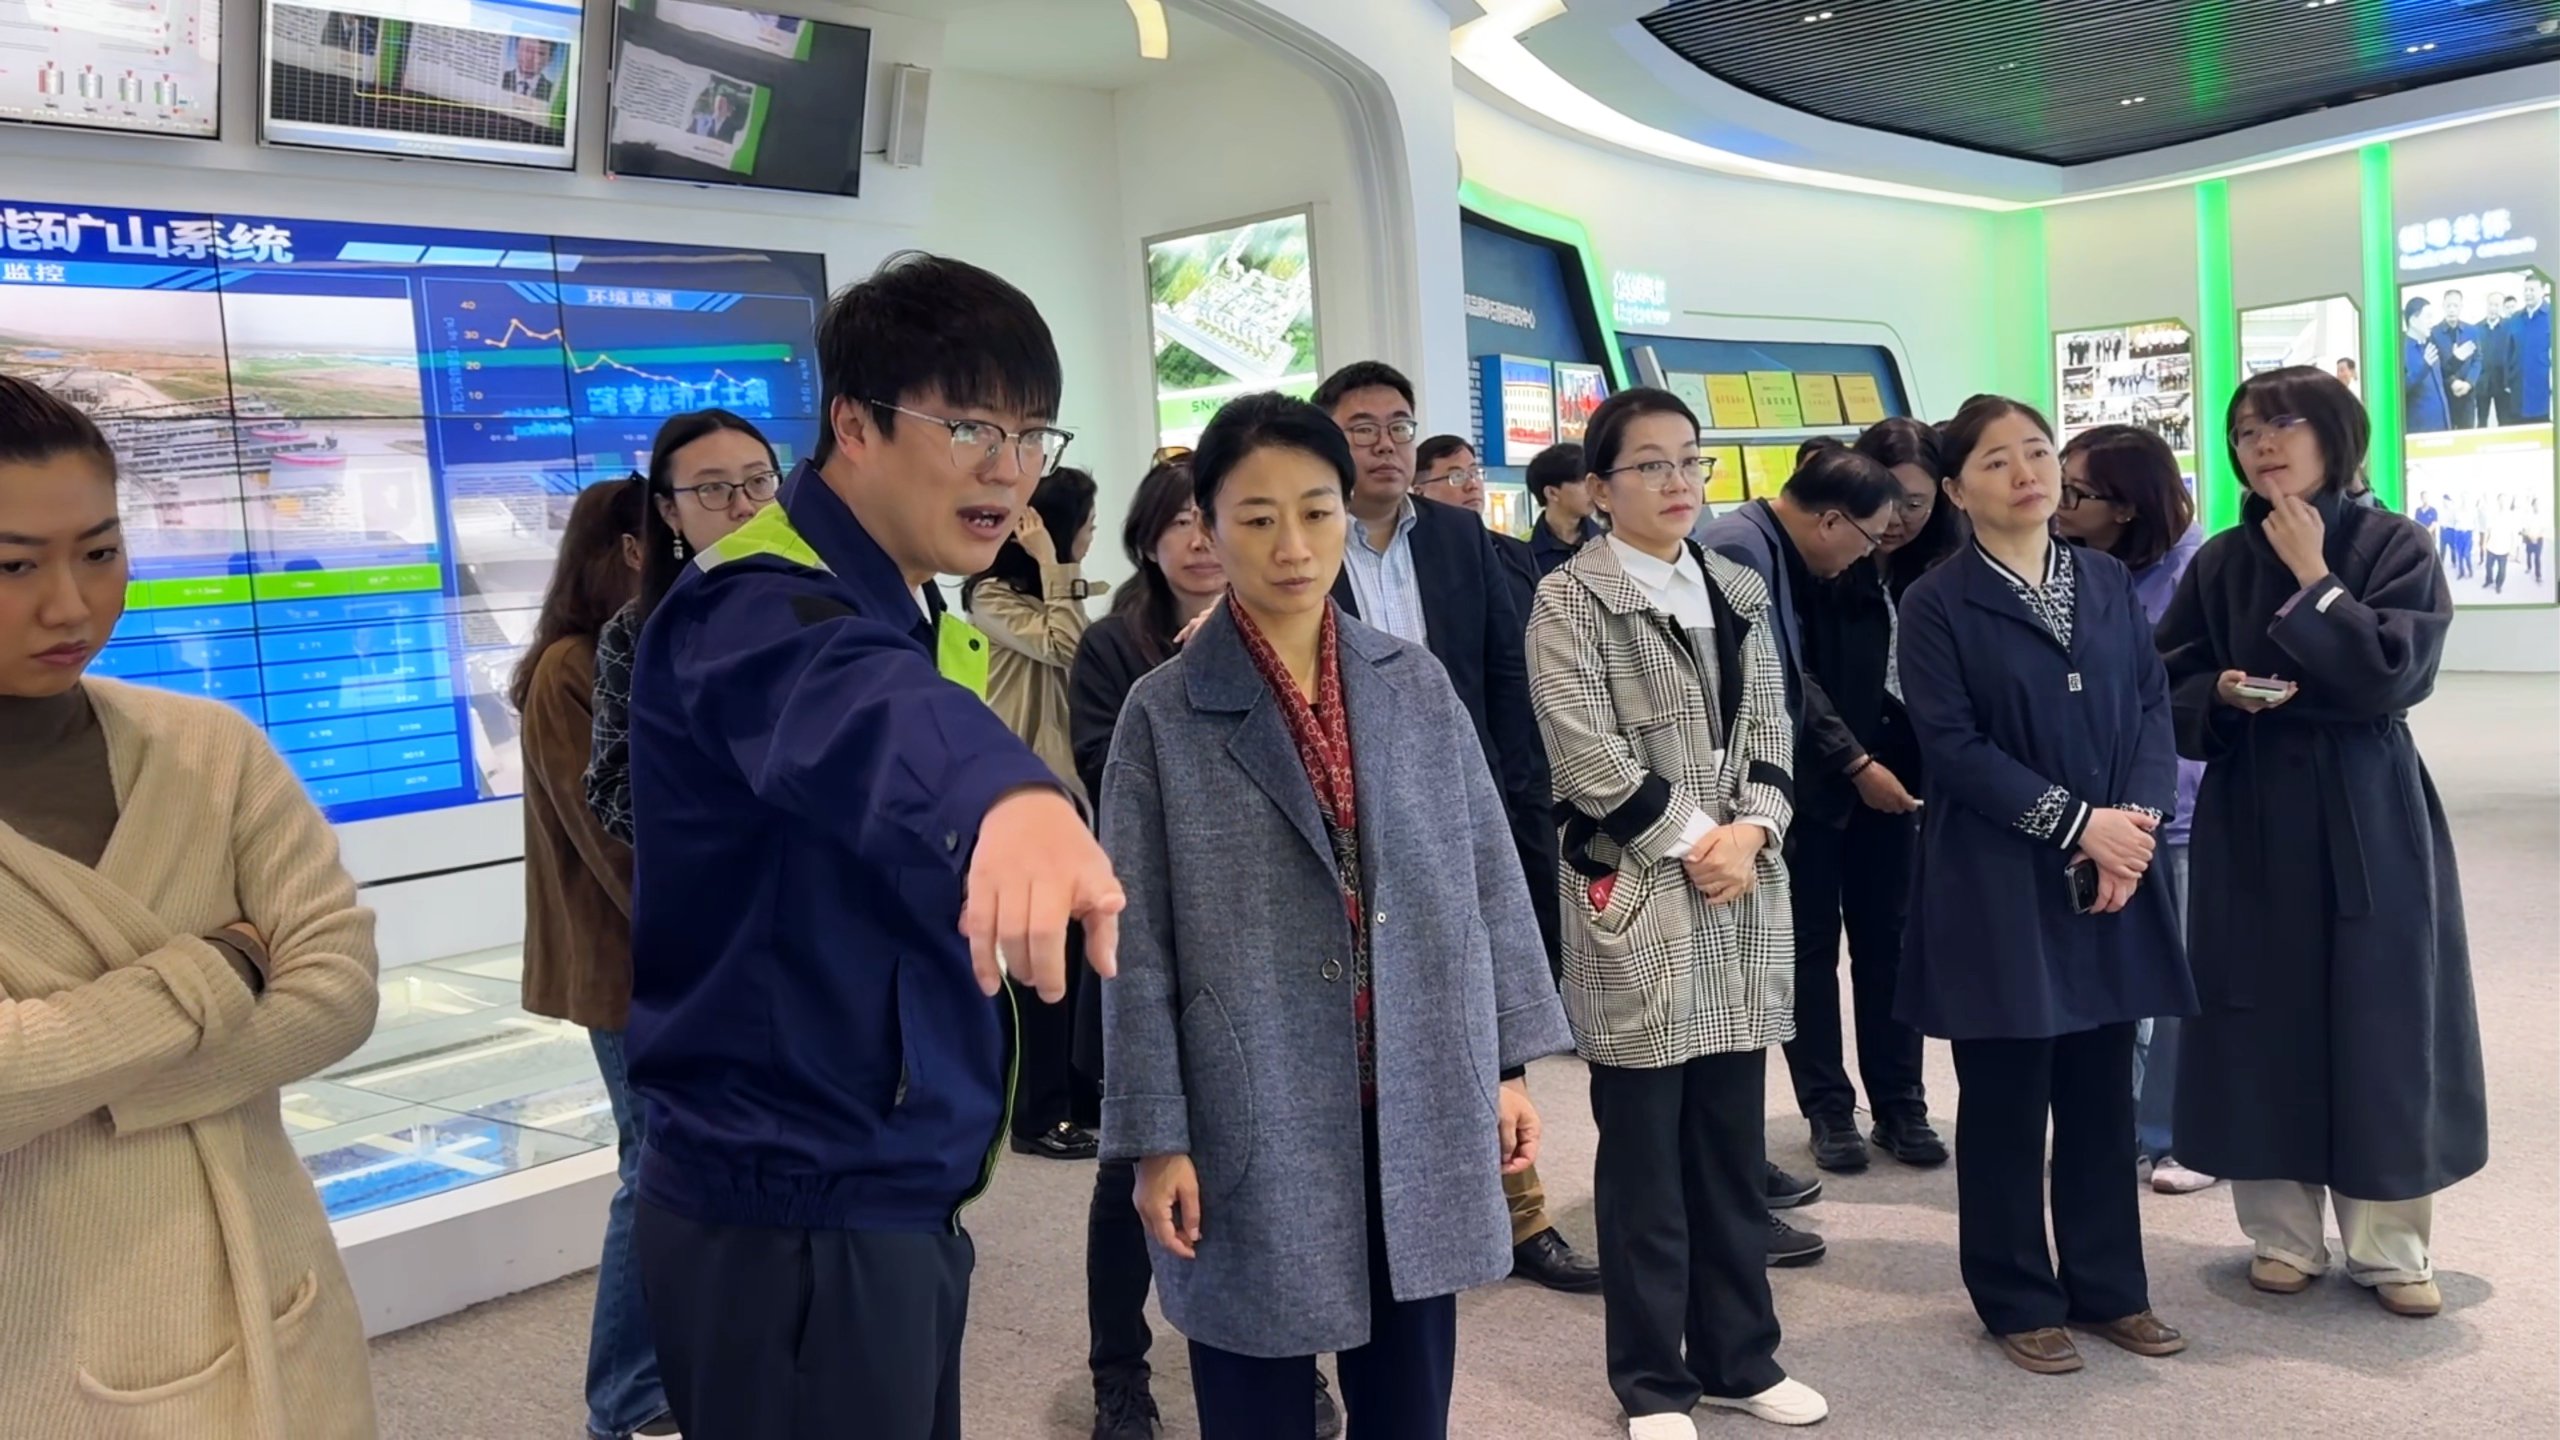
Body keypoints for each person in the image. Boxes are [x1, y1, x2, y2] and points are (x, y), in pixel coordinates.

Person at [623, 253, 1124, 1440]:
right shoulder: (756, 601)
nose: (1008, 469)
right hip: (793, 1204)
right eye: (970, 428)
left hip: (878, 1176)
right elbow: (856, 707)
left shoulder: (901, 599)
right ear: (853, 425)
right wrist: (1010, 798)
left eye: (1030, 435)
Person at [1099, 392, 1573, 1440]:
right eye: (1256, 517)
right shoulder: (1163, 712)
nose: (1292, 546)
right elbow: (1134, 947)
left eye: (1315, 512)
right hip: (1250, 1096)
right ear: (1207, 525)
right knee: (1254, 1390)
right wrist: (1154, 1136)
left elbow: (1485, 874)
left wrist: (1504, 1064)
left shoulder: (1412, 682)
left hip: (1416, 1085)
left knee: (1410, 1398)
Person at [0, 374, 381, 1434]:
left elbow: (337, 992)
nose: (70, 605)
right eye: (13, 566)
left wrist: (77, 1078)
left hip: (278, 1311)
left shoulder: (209, 750)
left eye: (100, 552)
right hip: (40, 1352)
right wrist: (220, 968)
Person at [1527, 386, 1828, 1436]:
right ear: (1598, 488)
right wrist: (1704, 840)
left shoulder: (1735, 585)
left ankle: (1741, 1357)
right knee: (1645, 1163)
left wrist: (1754, 833)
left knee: (1730, 1150)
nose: (1676, 481)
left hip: (1740, 892)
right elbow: (1584, 754)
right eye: (1649, 464)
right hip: (1643, 891)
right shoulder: (1569, 598)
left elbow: (1776, 731)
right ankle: (1653, 1381)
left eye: (1689, 460)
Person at [2158, 366, 2486, 1319]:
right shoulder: (2221, 558)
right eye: (2245, 431)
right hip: (2255, 800)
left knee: (2384, 1009)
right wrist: (2219, 693)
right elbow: (2164, 680)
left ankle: (2392, 1244)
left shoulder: (2395, 544)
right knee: (2258, 1006)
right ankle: (2282, 1234)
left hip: (2366, 799)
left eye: (2285, 424)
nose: (2262, 444)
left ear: (2336, 435)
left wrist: (2316, 579)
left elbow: (2394, 675)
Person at [1896, 394, 2194, 1376]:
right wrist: (2079, 825)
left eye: (2036, 451)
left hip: (2113, 870)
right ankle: (2015, 1295)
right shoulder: (1935, 602)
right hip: (1996, 877)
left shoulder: (2102, 578)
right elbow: (1952, 748)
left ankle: (2110, 1289)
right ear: (1955, 490)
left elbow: (2149, 707)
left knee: (2102, 1092)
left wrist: (2132, 826)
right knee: (2007, 1098)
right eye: (1996, 460)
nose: (2027, 472)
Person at [1071, 459, 1349, 1440]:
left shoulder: (1311, 638)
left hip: (1276, 959)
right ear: (1148, 541)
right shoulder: (1116, 650)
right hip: (1151, 942)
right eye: (1179, 523)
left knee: (1288, 1170)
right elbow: (1110, 784)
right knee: (1131, 1177)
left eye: (1210, 519)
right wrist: (1204, 682)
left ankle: (1294, 1353)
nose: (1198, 541)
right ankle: (1119, 1368)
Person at [1317, 361, 1596, 1294]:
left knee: (1484, 1015)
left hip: (1456, 810)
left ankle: (1519, 1217)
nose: (1386, 443)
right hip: (1342, 819)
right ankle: (1379, 1227)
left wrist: (1517, 809)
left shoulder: (1458, 536)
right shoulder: (1308, 542)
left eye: (1400, 424)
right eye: (1362, 427)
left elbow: (1505, 680)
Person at [512, 476, 681, 1440]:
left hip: (655, 960)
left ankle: (656, 1382)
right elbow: (615, 839)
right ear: (625, 549)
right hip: (627, 968)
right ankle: (625, 1400)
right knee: (649, 1172)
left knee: (665, 1168)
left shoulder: (637, 649)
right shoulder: (569, 670)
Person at [1693, 439, 1908, 1182]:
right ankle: (1778, 1144)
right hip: (1755, 801)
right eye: (1868, 538)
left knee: (1861, 947)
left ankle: (1882, 1110)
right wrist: (1852, 761)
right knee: (1783, 962)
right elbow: (1765, 686)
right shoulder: (1741, 549)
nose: (1866, 555)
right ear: (1832, 521)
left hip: (1790, 789)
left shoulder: (1766, 544)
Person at [1757, 440, 1946, 1178]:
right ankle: (1828, 1109)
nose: (1897, 518)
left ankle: (1901, 1104)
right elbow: (1788, 670)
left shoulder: (1941, 565)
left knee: (1890, 943)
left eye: (1915, 502)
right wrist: (1852, 761)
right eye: (1886, 501)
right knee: (1809, 947)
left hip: (1907, 780)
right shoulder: (1815, 561)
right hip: (1820, 773)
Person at [2054, 425, 2213, 1197]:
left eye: (2075, 492)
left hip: (2176, 807)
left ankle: (2173, 1134)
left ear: (2126, 506)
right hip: (2092, 808)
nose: (2056, 501)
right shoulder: (2074, 568)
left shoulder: (2197, 572)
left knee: (2175, 977)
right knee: (2109, 977)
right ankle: (2114, 1127)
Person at [966, 465, 1106, 1163]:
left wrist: (1062, 576)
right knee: (1038, 963)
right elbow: (1069, 647)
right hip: (1021, 795)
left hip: (1066, 794)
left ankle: (1074, 1097)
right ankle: (1035, 1114)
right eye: (1087, 522)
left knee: (1078, 957)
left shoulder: (1057, 594)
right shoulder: (989, 596)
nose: (1093, 534)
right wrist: (1058, 565)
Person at [585, 409, 780, 846]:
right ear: (669, 511)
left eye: (759, 481)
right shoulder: (636, 631)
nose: (745, 507)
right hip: (727, 874)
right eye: (713, 488)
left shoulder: (831, 601)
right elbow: (611, 787)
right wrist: (733, 823)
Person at [1419, 432, 1538, 610]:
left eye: (1475, 473)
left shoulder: (1517, 553)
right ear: (1420, 492)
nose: (1472, 485)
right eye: (1457, 477)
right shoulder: (1414, 558)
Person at [1528, 440, 1604, 577]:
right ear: (1552, 493)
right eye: (1584, 482)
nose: (1594, 489)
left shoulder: (1610, 542)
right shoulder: (1522, 551)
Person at [2401, 297, 2450, 435]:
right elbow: (2400, 389)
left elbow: (2441, 377)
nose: (2431, 322)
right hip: (2420, 429)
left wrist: (2457, 360)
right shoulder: (2401, 351)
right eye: (2428, 317)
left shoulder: (2430, 344)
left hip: (2443, 424)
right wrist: (2424, 366)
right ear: (2413, 320)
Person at [2435, 290, 2483, 429]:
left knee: (2467, 434)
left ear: (2461, 307)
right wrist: (2453, 382)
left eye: (2455, 306)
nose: (2452, 310)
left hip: (2468, 394)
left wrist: (2469, 383)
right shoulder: (2434, 333)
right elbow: (2436, 366)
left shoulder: (2472, 331)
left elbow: (2478, 359)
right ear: (2443, 306)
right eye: (2449, 305)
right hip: (2445, 394)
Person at [505, 37, 554, 101]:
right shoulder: (502, 77)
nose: (529, 58)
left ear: (549, 60)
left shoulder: (553, 91)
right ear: (516, 51)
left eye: (539, 53)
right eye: (525, 49)